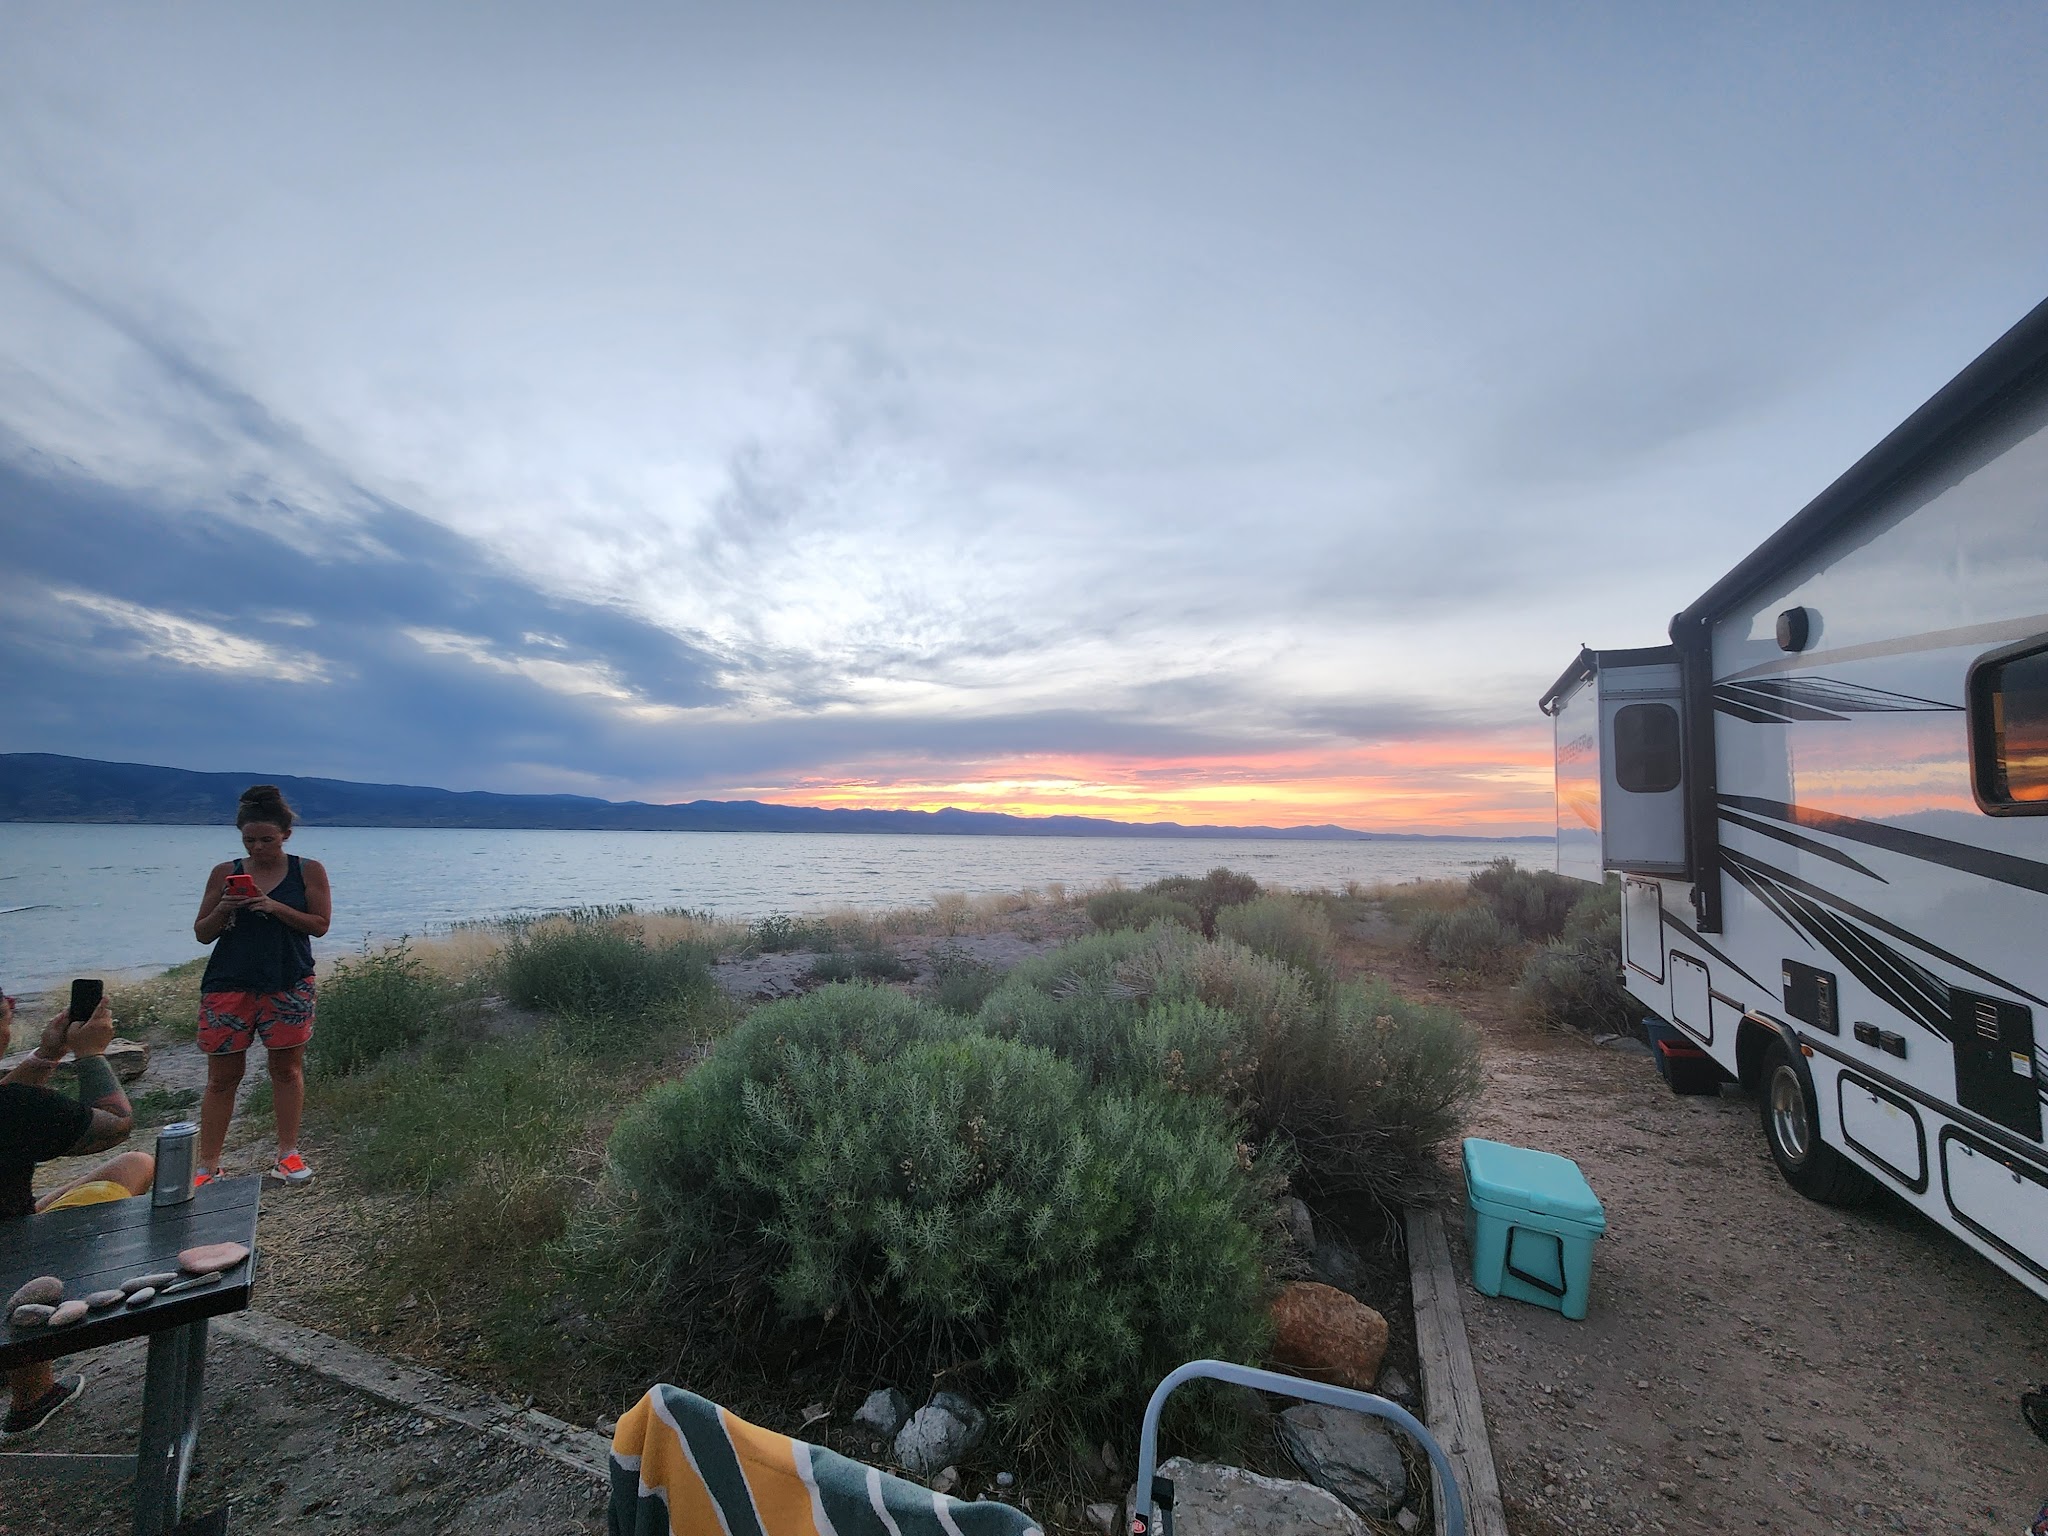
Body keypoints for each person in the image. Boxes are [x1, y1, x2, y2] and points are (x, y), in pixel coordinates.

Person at [0, 990, 152, 1441]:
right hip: (8, 1274)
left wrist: (48, 1054)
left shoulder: (11, 1111)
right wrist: (89, 1055)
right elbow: (116, 1122)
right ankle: (32, 1396)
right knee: (137, 1164)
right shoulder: (15, 1112)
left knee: (18, 1218)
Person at [191, 784, 331, 1186]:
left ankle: (287, 1154)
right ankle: (208, 1167)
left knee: (286, 1070)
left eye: (266, 840)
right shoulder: (224, 872)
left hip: (288, 981)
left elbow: (320, 926)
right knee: (221, 1078)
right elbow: (202, 934)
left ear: (286, 835)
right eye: (249, 840)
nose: (257, 848)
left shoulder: (309, 870)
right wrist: (224, 907)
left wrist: (274, 906)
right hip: (228, 984)